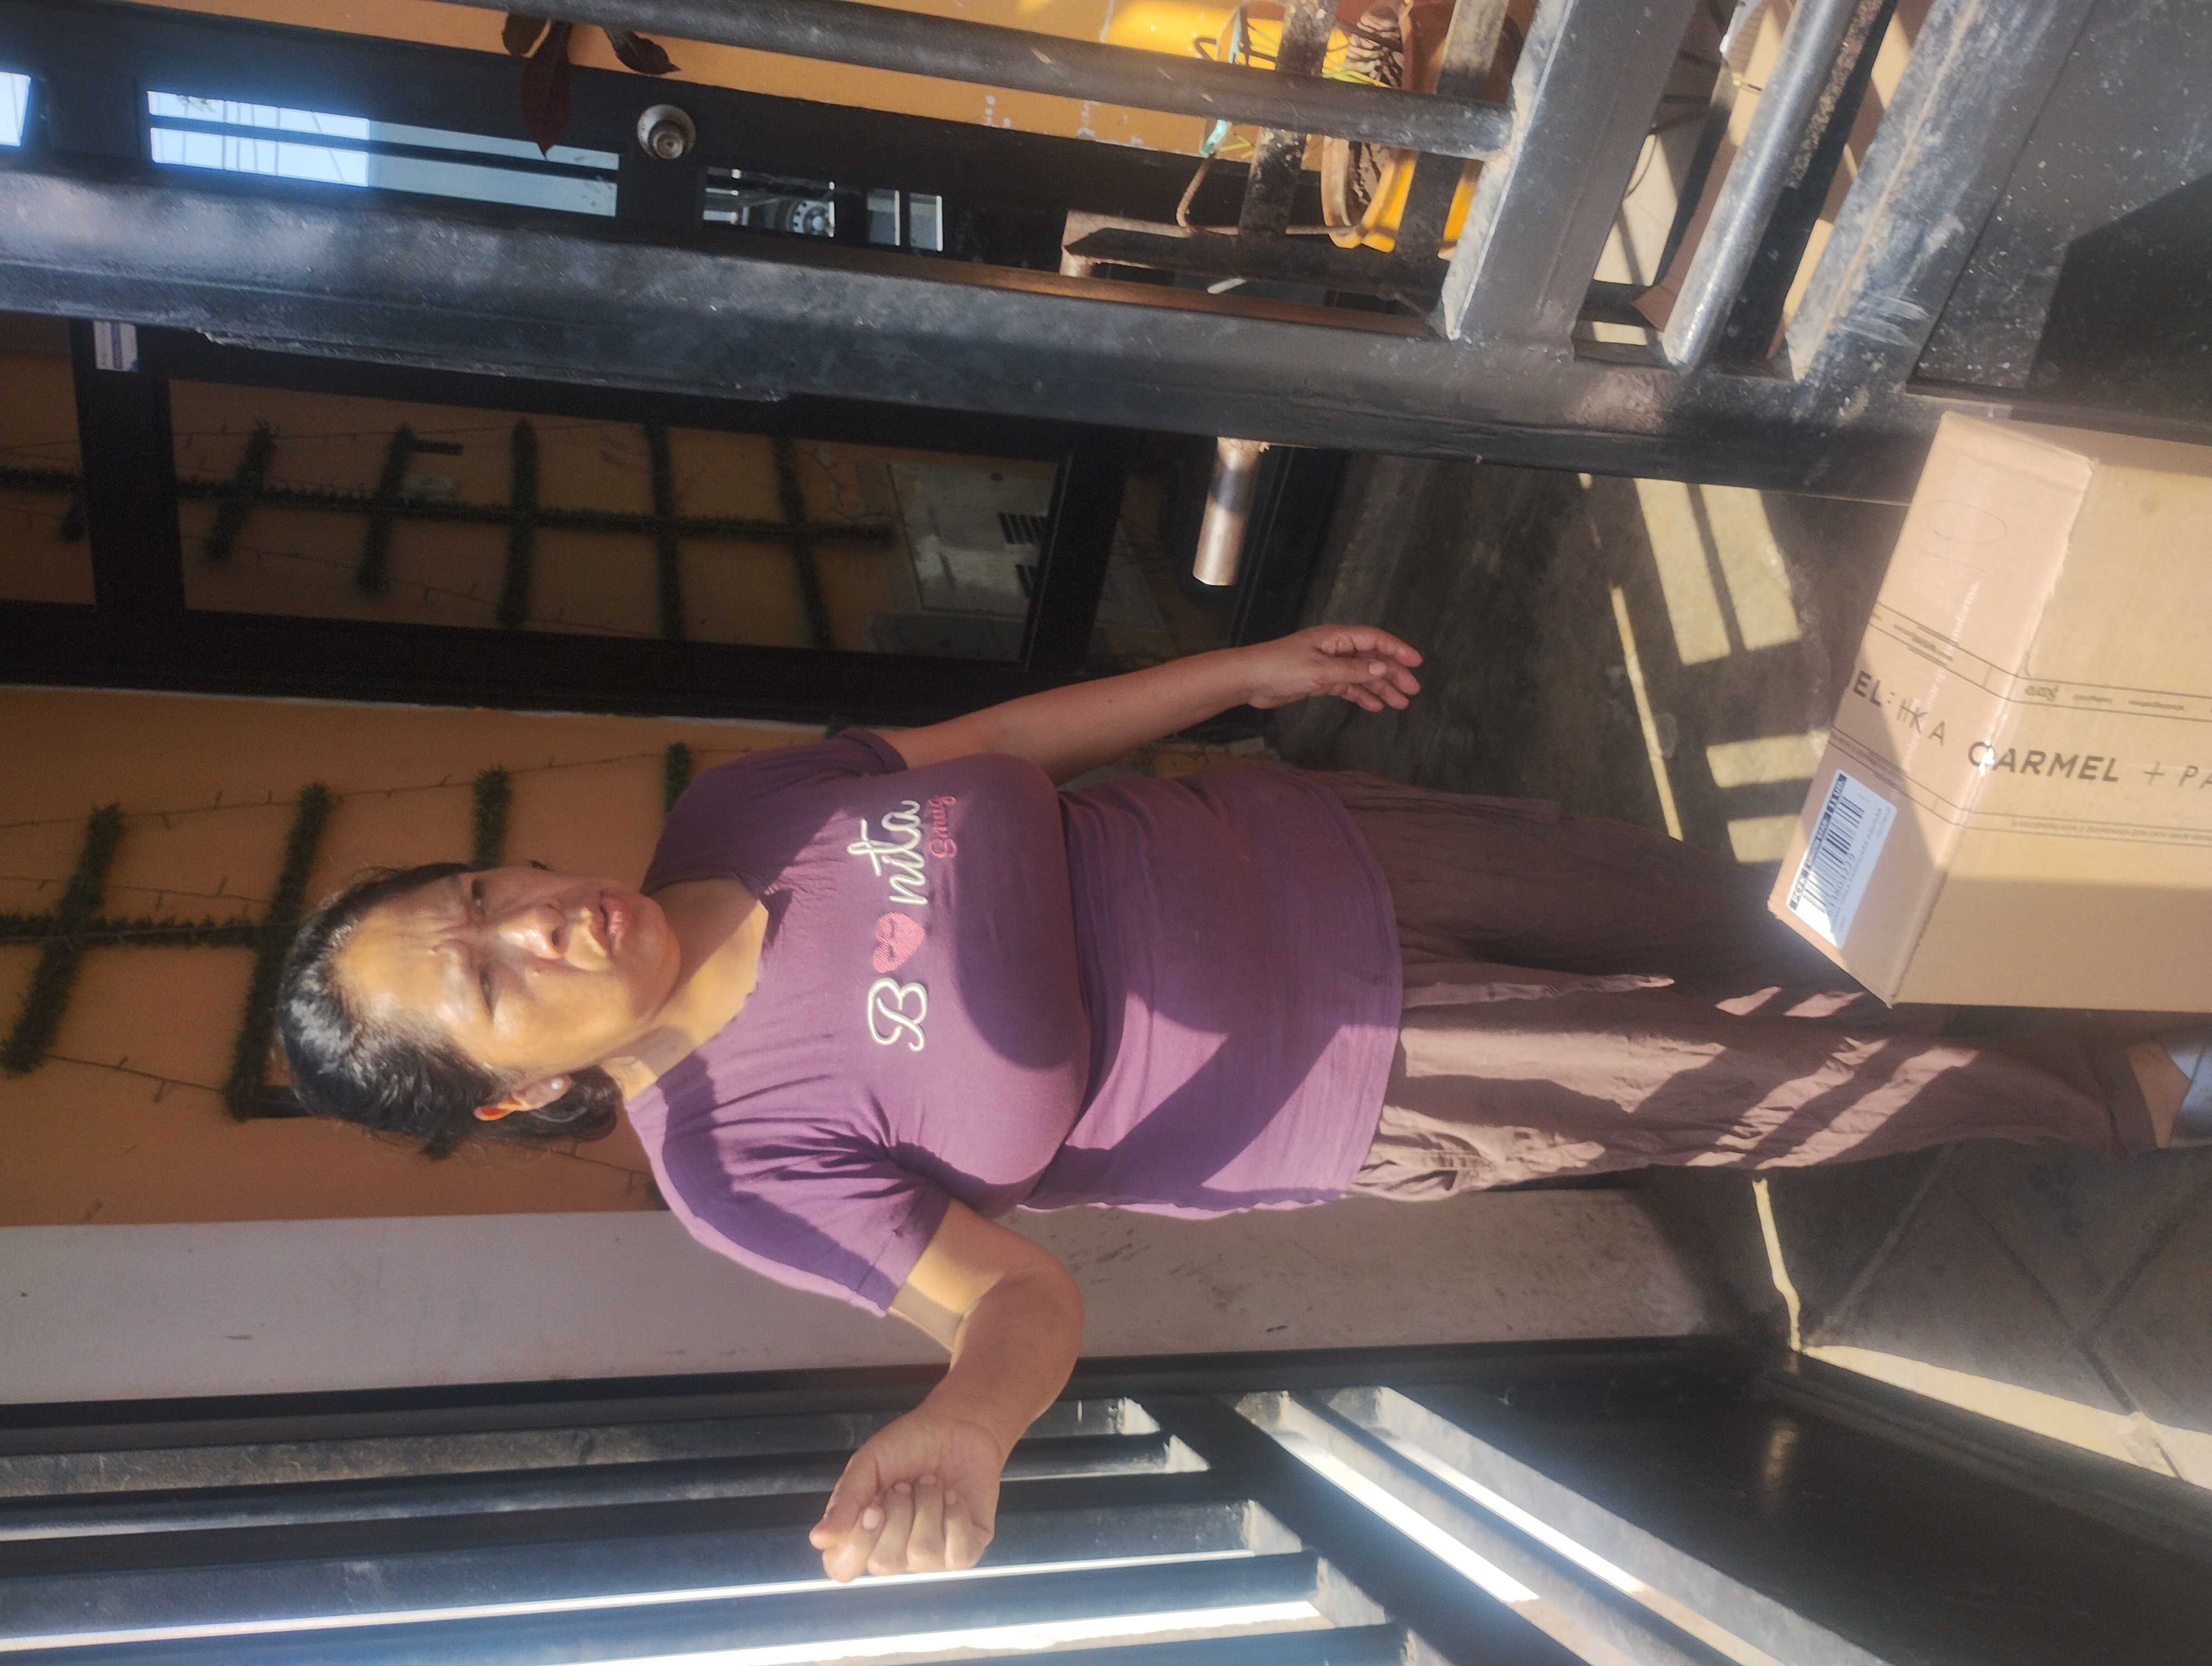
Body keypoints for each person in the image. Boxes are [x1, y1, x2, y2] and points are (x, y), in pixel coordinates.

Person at [277, 625, 2207, 1584]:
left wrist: (1250, 670)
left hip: (1343, 845)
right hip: (1357, 1071)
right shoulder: (732, 1167)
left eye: (480, 890)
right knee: (1792, 1080)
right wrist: (967, 1421)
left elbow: (999, 740)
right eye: (486, 980)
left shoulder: (734, 809)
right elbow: (1013, 1296)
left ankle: (2094, 906)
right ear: (517, 1097)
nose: (535, 920)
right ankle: (2136, 1088)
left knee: (1762, 920)